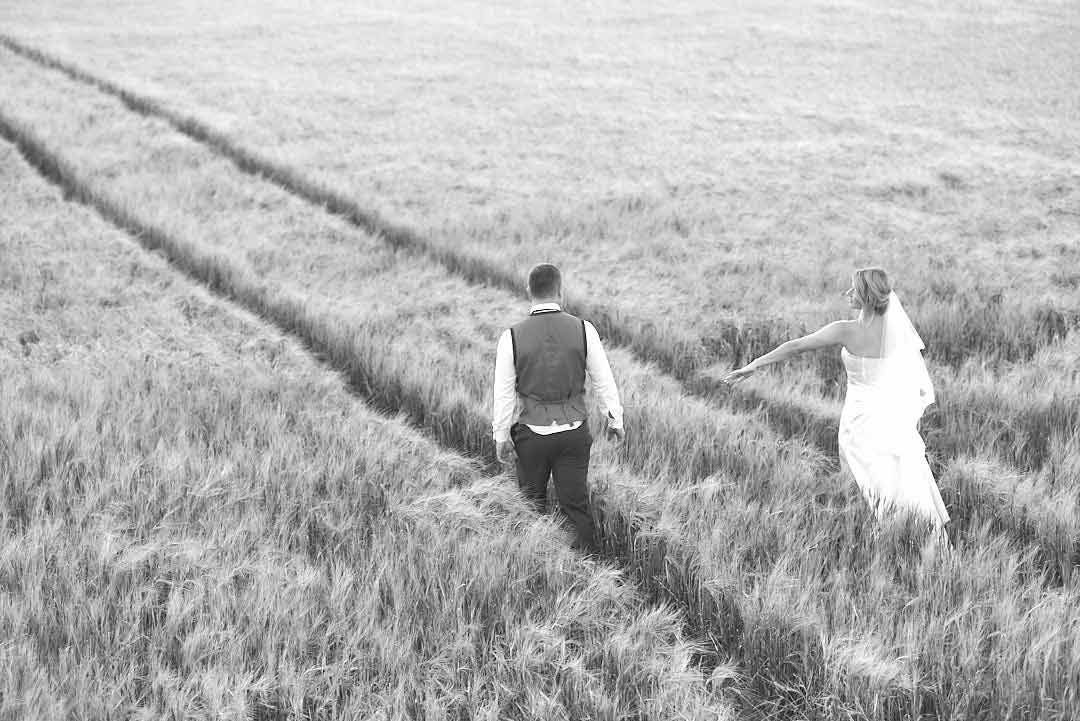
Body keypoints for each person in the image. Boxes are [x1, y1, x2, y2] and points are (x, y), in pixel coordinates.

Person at [723, 267, 949, 528]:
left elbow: (796, 347)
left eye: (854, 288)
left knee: (862, 483)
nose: (848, 293)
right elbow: (914, 385)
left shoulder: (845, 330)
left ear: (865, 295)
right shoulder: (898, 336)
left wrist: (755, 364)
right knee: (898, 479)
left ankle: (877, 536)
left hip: (860, 421)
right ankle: (914, 535)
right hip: (891, 419)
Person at [492, 263, 625, 553]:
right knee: (576, 508)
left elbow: (503, 394)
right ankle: (590, 573)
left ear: (529, 291)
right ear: (560, 291)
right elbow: (604, 379)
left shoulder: (510, 337)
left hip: (532, 438)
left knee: (530, 509)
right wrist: (615, 419)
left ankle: (537, 568)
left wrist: (501, 436)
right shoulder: (583, 329)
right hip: (573, 434)